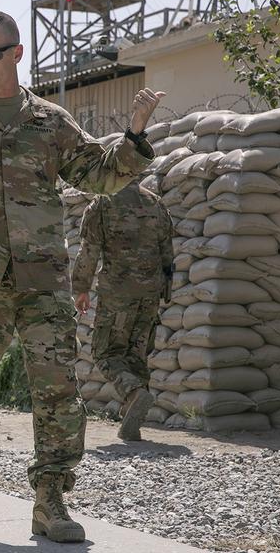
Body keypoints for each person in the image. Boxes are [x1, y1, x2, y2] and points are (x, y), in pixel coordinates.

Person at [0, 10, 164, 543]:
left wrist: (134, 135)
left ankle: (50, 500)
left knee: (56, 392)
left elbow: (98, 174)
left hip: (44, 281)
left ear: (16, 54)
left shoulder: (50, 122)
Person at [73, 181, 174, 441]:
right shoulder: (156, 203)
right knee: (136, 355)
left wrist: (81, 288)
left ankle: (132, 393)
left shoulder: (103, 203)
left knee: (105, 352)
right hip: (150, 293)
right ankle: (133, 422)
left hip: (118, 293)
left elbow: (89, 250)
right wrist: (164, 291)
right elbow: (167, 253)